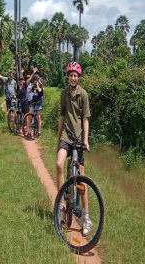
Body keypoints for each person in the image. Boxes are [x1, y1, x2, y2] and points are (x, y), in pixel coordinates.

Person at [56, 61, 92, 236]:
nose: (72, 77)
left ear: (78, 77)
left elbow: (85, 119)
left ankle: (86, 216)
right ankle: (62, 205)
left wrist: (85, 140)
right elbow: (62, 116)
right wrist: (58, 140)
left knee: (81, 179)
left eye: (75, 75)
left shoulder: (83, 95)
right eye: (70, 75)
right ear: (68, 76)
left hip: (78, 139)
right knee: (59, 164)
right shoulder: (64, 94)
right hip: (66, 136)